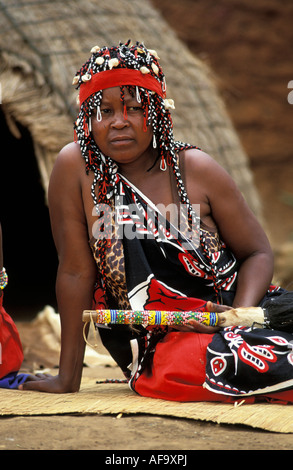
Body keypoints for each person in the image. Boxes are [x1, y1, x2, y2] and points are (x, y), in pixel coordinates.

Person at [20, 41, 293, 402]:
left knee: (250, 351)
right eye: (105, 110)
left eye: (135, 108)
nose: (119, 121)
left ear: (158, 113)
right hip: (157, 338)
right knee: (194, 363)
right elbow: (74, 272)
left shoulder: (195, 168)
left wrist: (237, 318)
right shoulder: (75, 169)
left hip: (237, 313)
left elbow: (257, 251)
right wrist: (67, 376)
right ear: (88, 117)